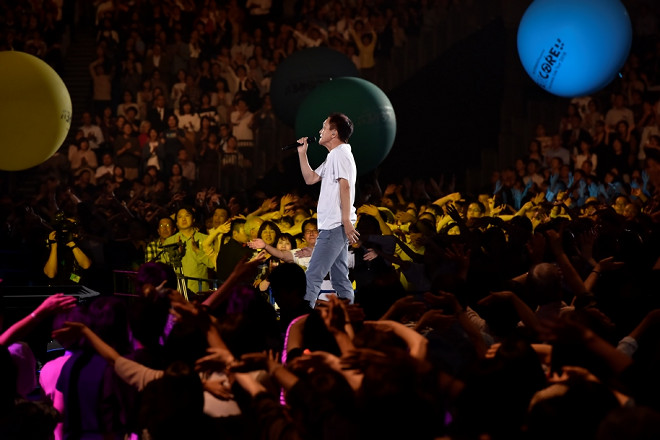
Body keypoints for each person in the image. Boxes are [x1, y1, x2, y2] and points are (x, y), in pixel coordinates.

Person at [295, 113, 359, 307]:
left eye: (324, 127)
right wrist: (302, 153)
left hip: (335, 226)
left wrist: (346, 221)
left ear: (334, 133)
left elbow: (345, 186)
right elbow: (310, 178)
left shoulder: (340, 154)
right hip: (336, 225)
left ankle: (302, 315)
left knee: (313, 275)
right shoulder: (334, 156)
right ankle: (349, 314)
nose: (320, 131)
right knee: (339, 277)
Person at [160, 207, 214, 295]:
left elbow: (212, 264)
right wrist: (176, 254)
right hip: (177, 291)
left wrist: (198, 252)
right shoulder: (170, 241)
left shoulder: (205, 239)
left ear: (193, 219)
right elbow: (163, 267)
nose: (183, 219)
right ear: (176, 222)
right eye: (180, 217)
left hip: (199, 289)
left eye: (187, 215)